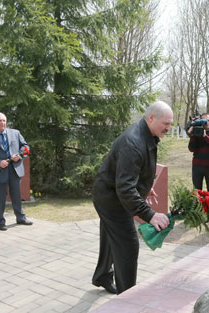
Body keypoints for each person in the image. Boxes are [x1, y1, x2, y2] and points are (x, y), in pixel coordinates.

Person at [91, 101, 172, 294]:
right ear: (151, 118)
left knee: (112, 236)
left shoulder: (147, 134)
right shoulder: (133, 142)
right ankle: (127, 300)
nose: (169, 128)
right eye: (166, 124)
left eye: (170, 124)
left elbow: (134, 172)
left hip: (115, 194)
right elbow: (125, 188)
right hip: (111, 200)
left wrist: (145, 187)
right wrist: (150, 215)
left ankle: (102, 275)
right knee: (128, 245)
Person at [0, 113, 32, 230]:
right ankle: (0, 222)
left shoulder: (15, 133)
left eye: (4, 120)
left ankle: (21, 218)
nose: (2, 123)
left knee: (17, 196)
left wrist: (19, 155)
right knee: (0, 197)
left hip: (15, 169)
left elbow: (25, 147)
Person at [187, 113, 209, 192]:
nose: (207, 122)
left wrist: (205, 136)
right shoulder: (196, 132)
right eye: (204, 120)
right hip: (197, 166)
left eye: (208, 120)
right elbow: (191, 149)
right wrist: (193, 135)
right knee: (196, 191)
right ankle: (198, 204)